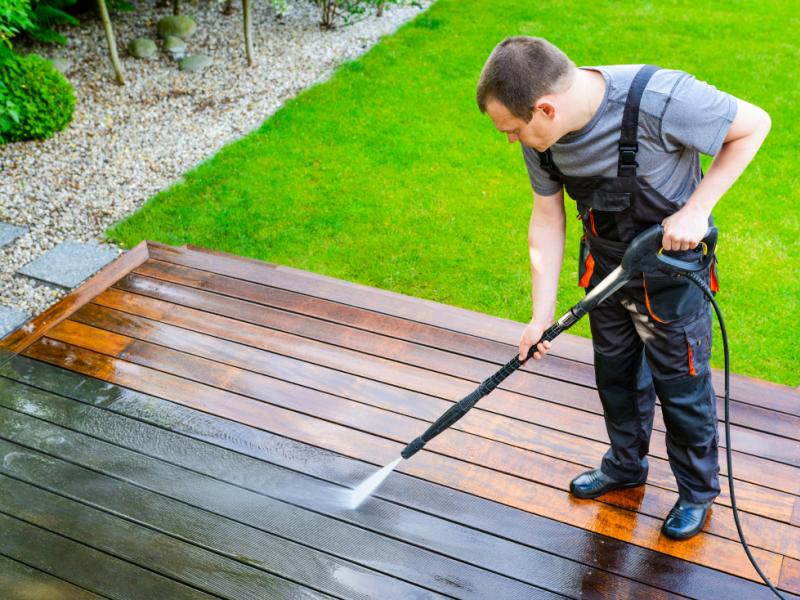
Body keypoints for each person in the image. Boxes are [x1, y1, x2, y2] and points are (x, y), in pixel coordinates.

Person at [476, 36, 770, 540]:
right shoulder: (542, 139)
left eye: (513, 130)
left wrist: (697, 209)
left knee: (682, 391)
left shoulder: (661, 99)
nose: (511, 140)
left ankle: (697, 493)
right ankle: (626, 466)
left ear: (544, 108)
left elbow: (753, 124)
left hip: (670, 277)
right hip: (607, 271)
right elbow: (547, 217)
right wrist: (539, 315)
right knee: (616, 376)